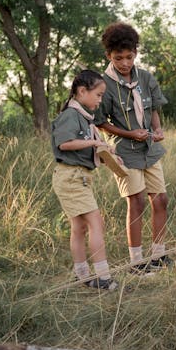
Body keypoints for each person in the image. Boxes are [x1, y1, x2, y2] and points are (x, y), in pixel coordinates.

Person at [95, 22, 174, 275]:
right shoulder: (104, 84)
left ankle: (159, 255)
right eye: (118, 58)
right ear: (109, 56)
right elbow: (100, 122)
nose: (125, 63)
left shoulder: (146, 78)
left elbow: (153, 110)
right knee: (137, 202)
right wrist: (129, 133)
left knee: (161, 199)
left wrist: (157, 129)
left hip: (149, 149)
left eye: (129, 57)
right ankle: (136, 262)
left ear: (135, 53)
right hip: (124, 150)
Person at [51, 69, 118, 290]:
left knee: (79, 227)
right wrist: (93, 144)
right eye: (98, 95)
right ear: (82, 91)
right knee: (96, 222)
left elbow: (89, 147)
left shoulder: (83, 116)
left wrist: (107, 152)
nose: (100, 100)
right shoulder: (71, 115)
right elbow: (65, 144)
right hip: (70, 177)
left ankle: (82, 275)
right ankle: (103, 276)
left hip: (79, 176)